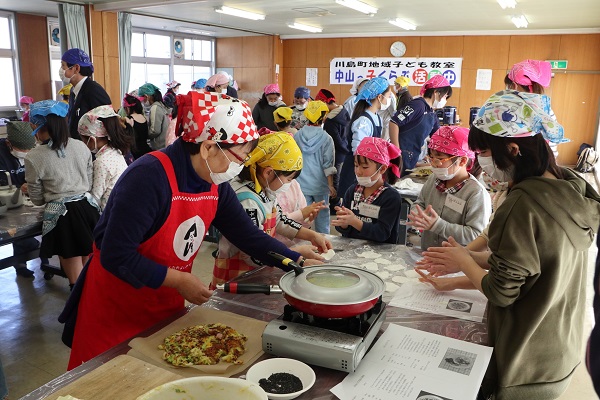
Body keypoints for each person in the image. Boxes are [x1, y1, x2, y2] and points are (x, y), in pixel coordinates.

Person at [66, 92, 329, 369]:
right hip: (116, 306)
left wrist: (294, 260)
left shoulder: (215, 183)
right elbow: (115, 255)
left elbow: (248, 236)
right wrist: (179, 280)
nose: (240, 167)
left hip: (163, 302)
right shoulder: (147, 178)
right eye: (239, 157)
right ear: (208, 148)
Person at [416, 90, 599, 400]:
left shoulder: (522, 205)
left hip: (524, 359)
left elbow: (502, 290)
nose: (481, 162)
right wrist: (464, 264)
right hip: (559, 349)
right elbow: (531, 261)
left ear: (512, 149)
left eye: (484, 152)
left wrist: (464, 259)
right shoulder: (568, 185)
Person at [212, 132, 330, 286]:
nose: (289, 184)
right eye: (288, 179)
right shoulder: (247, 201)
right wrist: (297, 254)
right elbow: (253, 254)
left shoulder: (265, 191)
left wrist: (311, 235)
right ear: (268, 172)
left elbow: (280, 219)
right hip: (237, 279)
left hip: (257, 273)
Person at [25, 100, 100, 288]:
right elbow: (89, 181)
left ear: (39, 125)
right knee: (89, 268)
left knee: (75, 277)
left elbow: (36, 197)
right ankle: (92, 310)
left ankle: (79, 314)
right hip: (88, 210)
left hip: (63, 217)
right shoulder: (81, 146)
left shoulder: (34, 156)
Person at [407, 126, 491, 250]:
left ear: (462, 161)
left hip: (457, 263)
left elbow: (476, 235)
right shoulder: (433, 180)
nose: (433, 165)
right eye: (431, 158)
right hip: (428, 253)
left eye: (440, 159)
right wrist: (418, 214)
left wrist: (437, 225)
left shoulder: (476, 193)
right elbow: (420, 202)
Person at [0, 122, 50, 277]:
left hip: (32, 198)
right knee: (18, 230)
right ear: (9, 143)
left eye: (30, 149)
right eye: (23, 150)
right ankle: (20, 264)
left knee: (44, 226)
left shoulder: (37, 149)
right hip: (9, 200)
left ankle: (45, 260)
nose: (26, 153)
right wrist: (16, 187)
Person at [333, 137, 403, 244]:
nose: (358, 171)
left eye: (365, 167)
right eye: (356, 166)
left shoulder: (391, 197)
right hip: (353, 251)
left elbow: (382, 233)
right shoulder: (352, 191)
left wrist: (355, 222)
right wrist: (344, 223)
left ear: (382, 169)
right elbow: (344, 231)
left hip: (381, 255)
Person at [338, 77, 392, 203]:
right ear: (379, 97)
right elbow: (359, 151)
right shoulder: (363, 121)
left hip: (370, 169)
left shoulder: (376, 117)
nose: (389, 99)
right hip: (358, 170)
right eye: (389, 95)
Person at [390, 74, 450, 175]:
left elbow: (436, 137)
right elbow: (394, 122)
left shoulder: (432, 113)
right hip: (401, 154)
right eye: (444, 96)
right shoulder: (418, 105)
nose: (445, 99)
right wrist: (396, 150)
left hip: (412, 156)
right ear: (435, 92)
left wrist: (434, 157)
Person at [78, 105, 133, 210]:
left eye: (84, 140)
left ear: (92, 139)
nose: (83, 144)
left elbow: (95, 198)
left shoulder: (101, 162)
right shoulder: (115, 151)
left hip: (109, 213)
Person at [294, 101, 337, 234]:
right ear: (324, 117)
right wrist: (331, 185)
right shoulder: (326, 138)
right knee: (323, 217)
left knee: (302, 217)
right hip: (320, 185)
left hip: (301, 184)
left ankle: (301, 243)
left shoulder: (297, 135)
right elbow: (328, 164)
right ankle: (324, 245)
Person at [60, 48, 112, 140]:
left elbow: (108, 123)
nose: (61, 70)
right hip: (78, 147)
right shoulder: (73, 91)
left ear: (76, 68)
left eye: (63, 66)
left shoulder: (94, 90)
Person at [315, 89, 351, 212]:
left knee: (333, 178)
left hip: (336, 152)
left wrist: (343, 150)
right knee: (338, 177)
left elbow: (335, 140)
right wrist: (347, 150)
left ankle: (333, 205)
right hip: (344, 152)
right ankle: (336, 203)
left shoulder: (330, 120)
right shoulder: (344, 111)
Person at [138, 83, 169, 150]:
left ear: (147, 96)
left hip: (159, 146)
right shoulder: (160, 105)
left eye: (142, 99)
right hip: (164, 144)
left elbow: (155, 131)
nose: (142, 102)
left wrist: (144, 135)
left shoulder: (155, 107)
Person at [123, 94, 152, 159]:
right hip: (146, 150)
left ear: (127, 108)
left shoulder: (128, 119)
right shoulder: (143, 118)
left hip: (135, 153)